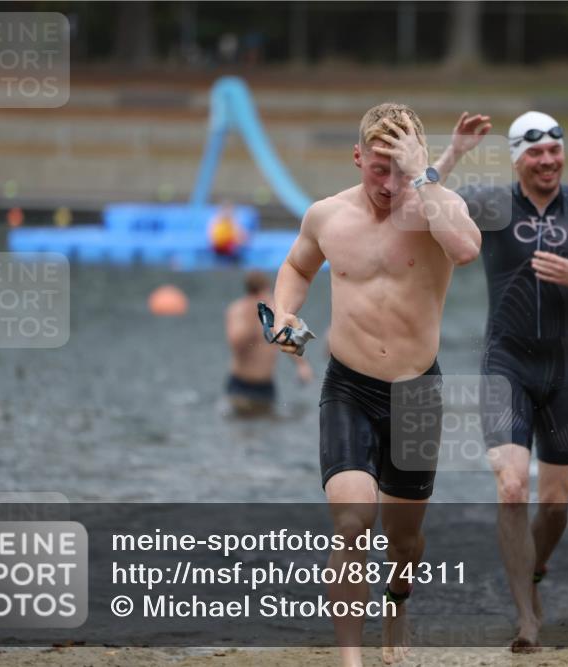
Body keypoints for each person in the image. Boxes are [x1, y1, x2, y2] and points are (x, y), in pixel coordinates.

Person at [272, 102, 481, 667]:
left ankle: (399, 600)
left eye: (401, 169)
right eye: (378, 169)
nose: (389, 185)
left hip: (416, 393)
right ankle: (351, 659)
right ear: (358, 156)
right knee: (351, 520)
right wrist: (286, 315)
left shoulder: (438, 208)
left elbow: (465, 249)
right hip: (349, 387)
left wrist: (425, 176)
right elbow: (295, 269)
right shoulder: (327, 216)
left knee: (404, 539)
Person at [434, 111, 568, 650]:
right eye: (535, 153)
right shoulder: (493, 203)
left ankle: (533, 570)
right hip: (506, 364)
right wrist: (453, 152)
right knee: (510, 489)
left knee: (554, 507)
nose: (547, 161)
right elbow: (420, 205)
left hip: (567, 368)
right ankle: (527, 618)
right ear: (517, 157)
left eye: (554, 150)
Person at [225, 271, 312, 416]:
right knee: (241, 430)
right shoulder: (237, 311)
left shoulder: (271, 312)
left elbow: (284, 339)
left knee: (268, 428)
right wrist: (253, 318)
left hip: (266, 385)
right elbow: (236, 345)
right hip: (241, 385)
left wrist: (301, 365)